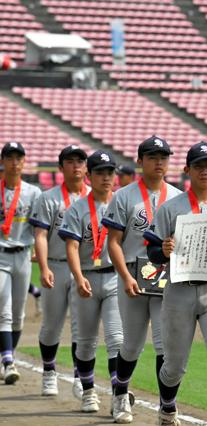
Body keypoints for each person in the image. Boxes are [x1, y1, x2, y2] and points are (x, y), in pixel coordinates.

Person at [144, 142, 207, 426]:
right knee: (173, 367)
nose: (204, 170)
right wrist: (164, 251)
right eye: (198, 165)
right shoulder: (171, 208)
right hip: (179, 290)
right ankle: (168, 407)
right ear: (187, 170)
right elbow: (152, 250)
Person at [103, 136, 181, 423]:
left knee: (166, 346)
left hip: (166, 280)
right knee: (132, 345)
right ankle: (120, 395)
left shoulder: (177, 197)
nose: (159, 161)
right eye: (152, 156)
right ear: (140, 161)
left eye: (163, 156)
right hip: (133, 279)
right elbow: (113, 242)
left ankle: (166, 407)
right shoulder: (124, 196)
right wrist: (123, 276)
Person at [59, 150, 123, 413]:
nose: (106, 177)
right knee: (85, 342)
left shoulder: (122, 203)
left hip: (114, 277)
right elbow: (72, 247)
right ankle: (88, 391)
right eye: (99, 172)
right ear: (89, 174)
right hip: (86, 276)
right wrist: (78, 276)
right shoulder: (77, 209)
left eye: (110, 172)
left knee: (117, 339)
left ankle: (120, 396)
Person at [29, 145, 89, 398]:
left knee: (81, 327)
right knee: (52, 325)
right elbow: (41, 235)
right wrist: (43, 267)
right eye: (70, 161)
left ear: (87, 167)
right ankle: (49, 371)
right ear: (61, 167)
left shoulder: (95, 197)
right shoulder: (48, 198)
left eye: (80, 161)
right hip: (56, 264)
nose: (76, 165)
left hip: (84, 268)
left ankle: (79, 376)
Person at [0, 142, 41, 385]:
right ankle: (8, 362)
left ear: (24, 162)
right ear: (3, 161)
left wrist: (40, 252)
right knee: (3, 309)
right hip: (1, 254)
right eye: (10, 157)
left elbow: (38, 229)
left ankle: (9, 355)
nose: (15, 162)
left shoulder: (33, 192)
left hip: (24, 254)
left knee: (18, 314)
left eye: (19, 157)